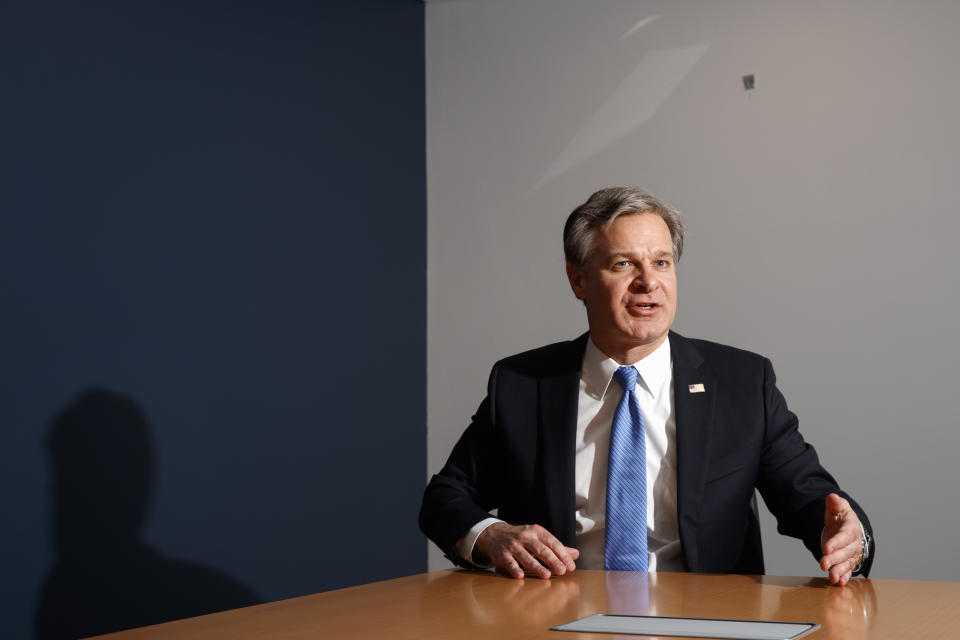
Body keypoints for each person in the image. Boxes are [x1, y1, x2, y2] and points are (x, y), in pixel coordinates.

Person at [419, 186, 873, 585]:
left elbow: (811, 498)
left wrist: (843, 534)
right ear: (578, 279)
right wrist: (492, 536)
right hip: (556, 620)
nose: (648, 282)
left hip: (708, 622)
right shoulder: (522, 384)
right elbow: (444, 499)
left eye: (661, 262)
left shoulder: (741, 382)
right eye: (623, 264)